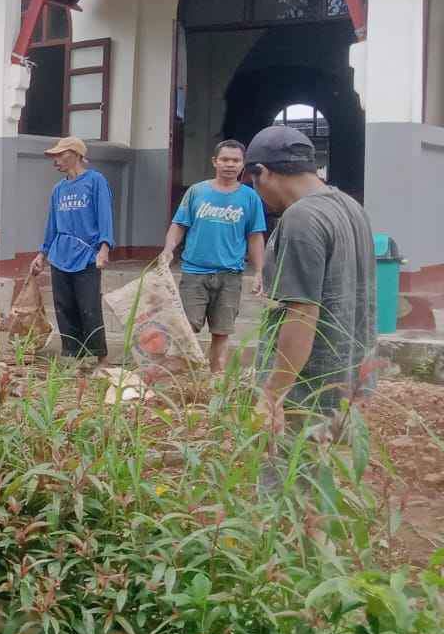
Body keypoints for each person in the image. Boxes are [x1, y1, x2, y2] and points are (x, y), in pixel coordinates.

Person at [244, 126, 376, 438]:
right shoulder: (351, 207)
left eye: (253, 182)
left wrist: (273, 395)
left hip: (305, 394)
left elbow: (302, 313)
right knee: (323, 482)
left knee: (289, 481)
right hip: (345, 386)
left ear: (262, 172)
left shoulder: (301, 217)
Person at [160, 139, 267, 373]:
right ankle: (180, 381)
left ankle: (215, 381)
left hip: (230, 276)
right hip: (194, 273)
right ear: (214, 162)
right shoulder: (197, 192)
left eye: (236, 160)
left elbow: (255, 237)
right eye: (225, 159)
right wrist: (168, 249)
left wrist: (259, 271)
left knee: (222, 332)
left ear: (243, 164)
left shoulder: (250, 198)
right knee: (186, 329)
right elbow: (179, 224)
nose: (230, 164)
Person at [30, 137, 114, 365]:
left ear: (76, 154)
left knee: (89, 306)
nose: (55, 161)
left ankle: (101, 358)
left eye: (60, 155)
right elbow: (52, 224)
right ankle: (74, 357)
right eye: (54, 157)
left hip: (87, 255)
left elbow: (105, 215)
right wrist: (42, 253)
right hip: (60, 254)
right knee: (64, 307)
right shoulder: (59, 189)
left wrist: (104, 248)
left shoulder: (95, 181)